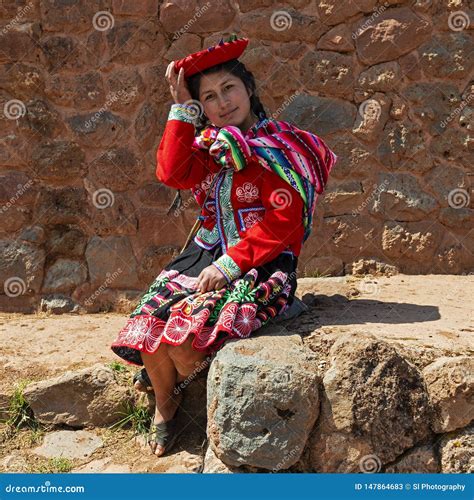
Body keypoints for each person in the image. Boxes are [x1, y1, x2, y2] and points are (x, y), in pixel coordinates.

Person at [110, 35, 337, 457]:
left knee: (181, 340)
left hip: (261, 262)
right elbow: (171, 172)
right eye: (209, 97)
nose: (223, 102)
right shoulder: (210, 150)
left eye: (228, 89)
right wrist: (182, 107)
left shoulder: (280, 148)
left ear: (248, 88)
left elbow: (283, 219)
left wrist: (231, 265)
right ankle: (166, 405)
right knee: (148, 328)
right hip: (203, 254)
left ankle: (181, 393)